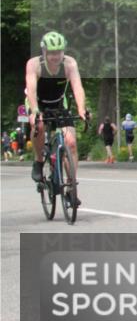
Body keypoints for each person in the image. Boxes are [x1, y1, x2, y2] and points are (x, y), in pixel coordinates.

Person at [25, 31, 87, 204]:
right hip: (38, 103)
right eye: (51, 52)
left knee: (71, 143)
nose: (55, 56)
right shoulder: (34, 65)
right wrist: (36, 111)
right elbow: (31, 89)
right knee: (39, 126)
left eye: (59, 52)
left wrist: (82, 109)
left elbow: (77, 87)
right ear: (44, 52)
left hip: (59, 104)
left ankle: (71, 188)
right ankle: (38, 161)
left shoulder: (69, 64)